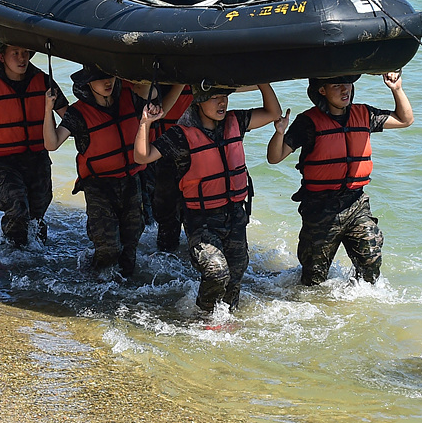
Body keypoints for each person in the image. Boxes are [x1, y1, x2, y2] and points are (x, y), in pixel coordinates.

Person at [135, 85, 281, 312]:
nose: (222, 103)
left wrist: (263, 82)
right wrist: (146, 123)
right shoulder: (181, 135)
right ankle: (204, 316)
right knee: (216, 271)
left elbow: (273, 113)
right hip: (202, 220)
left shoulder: (236, 121)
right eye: (214, 98)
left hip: (235, 215)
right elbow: (142, 156)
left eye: (224, 97)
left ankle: (225, 320)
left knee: (236, 273)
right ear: (198, 102)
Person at [267, 72, 413, 286]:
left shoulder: (364, 114)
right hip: (319, 207)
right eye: (337, 85)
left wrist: (396, 89)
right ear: (322, 90)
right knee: (313, 280)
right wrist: (279, 132)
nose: (345, 89)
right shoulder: (308, 123)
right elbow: (274, 157)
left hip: (356, 203)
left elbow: (405, 119)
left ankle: (356, 308)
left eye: (348, 84)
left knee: (371, 260)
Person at [44, 66, 181, 278]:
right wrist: (48, 108)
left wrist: (181, 83)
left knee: (130, 248)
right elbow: (52, 144)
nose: (107, 82)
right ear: (88, 83)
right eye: (99, 79)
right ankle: (92, 280)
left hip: (130, 180)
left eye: (109, 77)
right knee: (109, 248)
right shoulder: (78, 114)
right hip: (99, 186)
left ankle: (123, 294)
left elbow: (160, 109)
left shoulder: (130, 98)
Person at [0, 41, 67, 247]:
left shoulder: (43, 80)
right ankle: (12, 258)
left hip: (38, 159)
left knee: (37, 216)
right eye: (16, 53)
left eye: (25, 52)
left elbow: (70, 116)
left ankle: (36, 262)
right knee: (18, 210)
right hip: (7, 162)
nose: (22, 58)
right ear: (2, 57)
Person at [147, 86, 193, 252]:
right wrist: (181, 81)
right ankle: (167, 260)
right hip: (164, 156)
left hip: (196, 155)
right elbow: (162, 111)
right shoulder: (160, 79)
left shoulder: (206, 78)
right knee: (167, 222)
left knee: (196, 218)